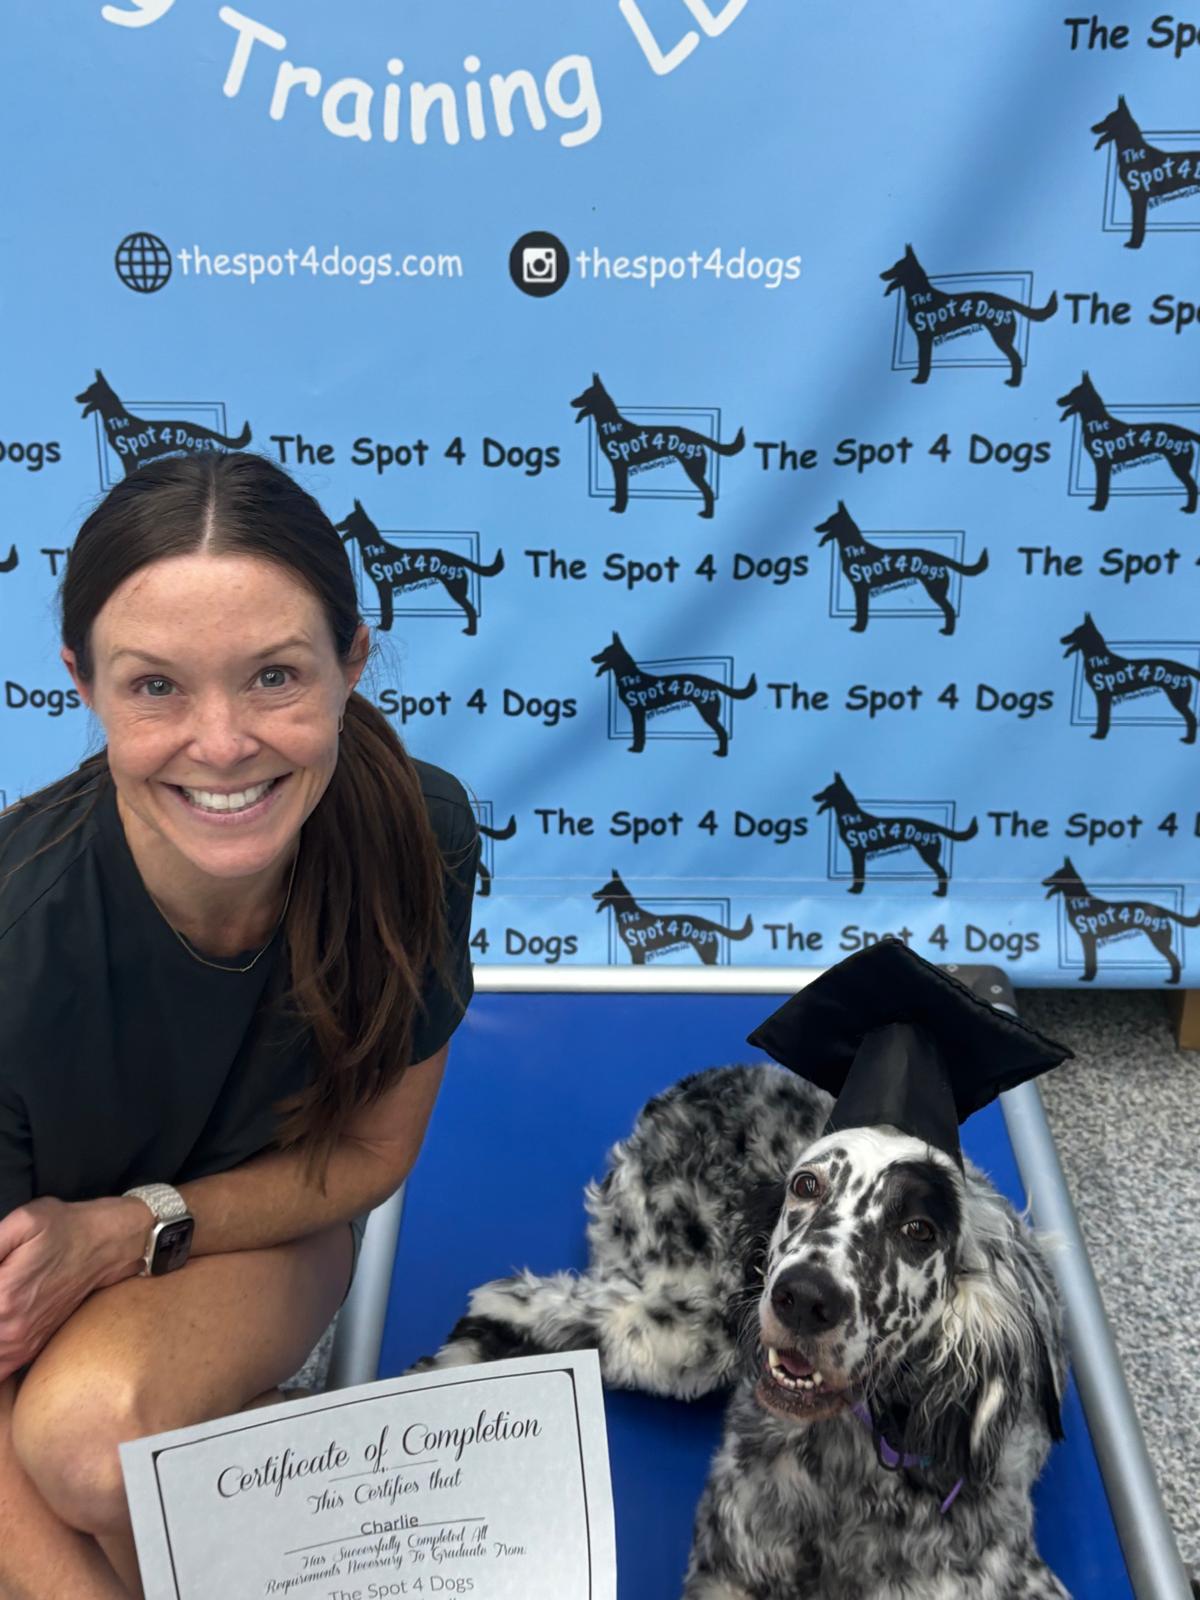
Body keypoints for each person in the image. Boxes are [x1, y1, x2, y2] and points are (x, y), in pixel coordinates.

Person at [0, 451, 480, 1597]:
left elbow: (369, 1151)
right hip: (31, 1332)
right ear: (84, 682)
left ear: (351, 661)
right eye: (155, 686)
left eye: (273, 676)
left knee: (88, 1437)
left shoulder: (420, 830)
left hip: (261, 1231)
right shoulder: (16, 950)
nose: (222, 745)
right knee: (68, 1441)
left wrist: (134, 1226)